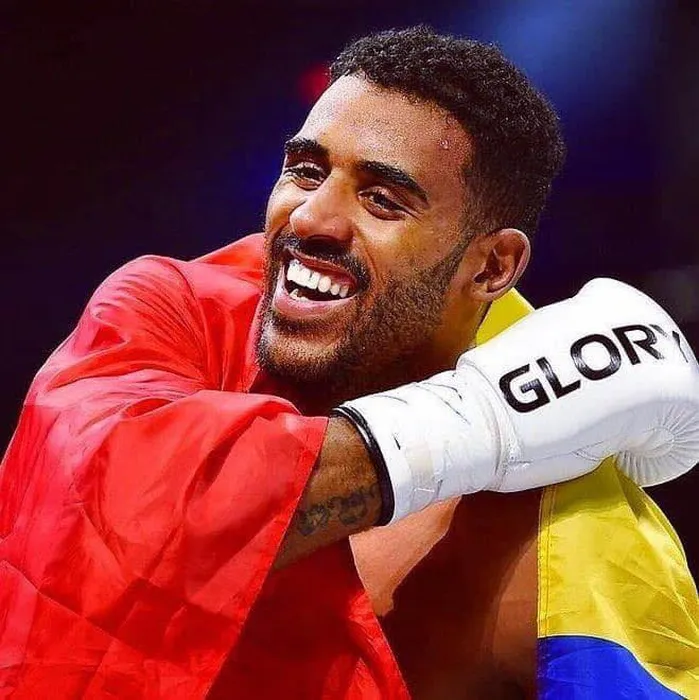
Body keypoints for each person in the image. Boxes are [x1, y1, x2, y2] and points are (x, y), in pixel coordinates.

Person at [0, 25, 697, 700]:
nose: (310, 219)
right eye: (305, 171)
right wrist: (480, 419)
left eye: (382, 199)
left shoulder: (567, 545)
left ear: (491, 266)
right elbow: (114, 507)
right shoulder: (177, 310)